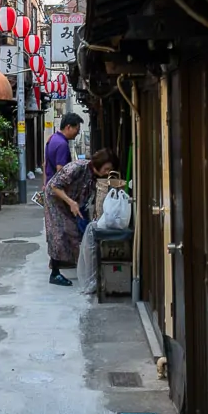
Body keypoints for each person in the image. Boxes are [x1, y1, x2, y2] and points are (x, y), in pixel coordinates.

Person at [43, 148, 120, 286]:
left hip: (71, 201)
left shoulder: (94, 176)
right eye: (106, 168)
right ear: (99, 163)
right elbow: (55, 186)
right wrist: (71, 202)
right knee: (58, 233)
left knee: (74, 232)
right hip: (55, 199)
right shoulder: (78, 167)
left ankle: (77, 266)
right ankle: (54, 273)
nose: (107, 172)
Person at [44, 113, 83, 188]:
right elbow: (60, 170)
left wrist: (44, 185)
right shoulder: (62, 144)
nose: (77, 133)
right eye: (77, 129)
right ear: (68, 127)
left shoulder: (52, 138)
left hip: (49, 185)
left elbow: (45, 164)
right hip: (57, 190)